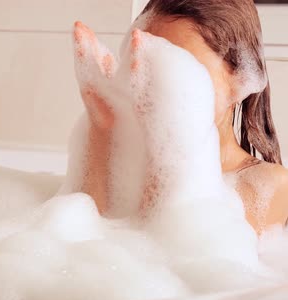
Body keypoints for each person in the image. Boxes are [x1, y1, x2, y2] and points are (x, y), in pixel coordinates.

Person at [77, 0, 288, 234]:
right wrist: (102, 129)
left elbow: (168, 257)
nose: (155, 85)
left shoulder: (267, 185)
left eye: (180, 69)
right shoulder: (125, 163)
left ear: (238, 80)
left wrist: (162, 147)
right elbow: (80, 249)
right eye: (148, 67)